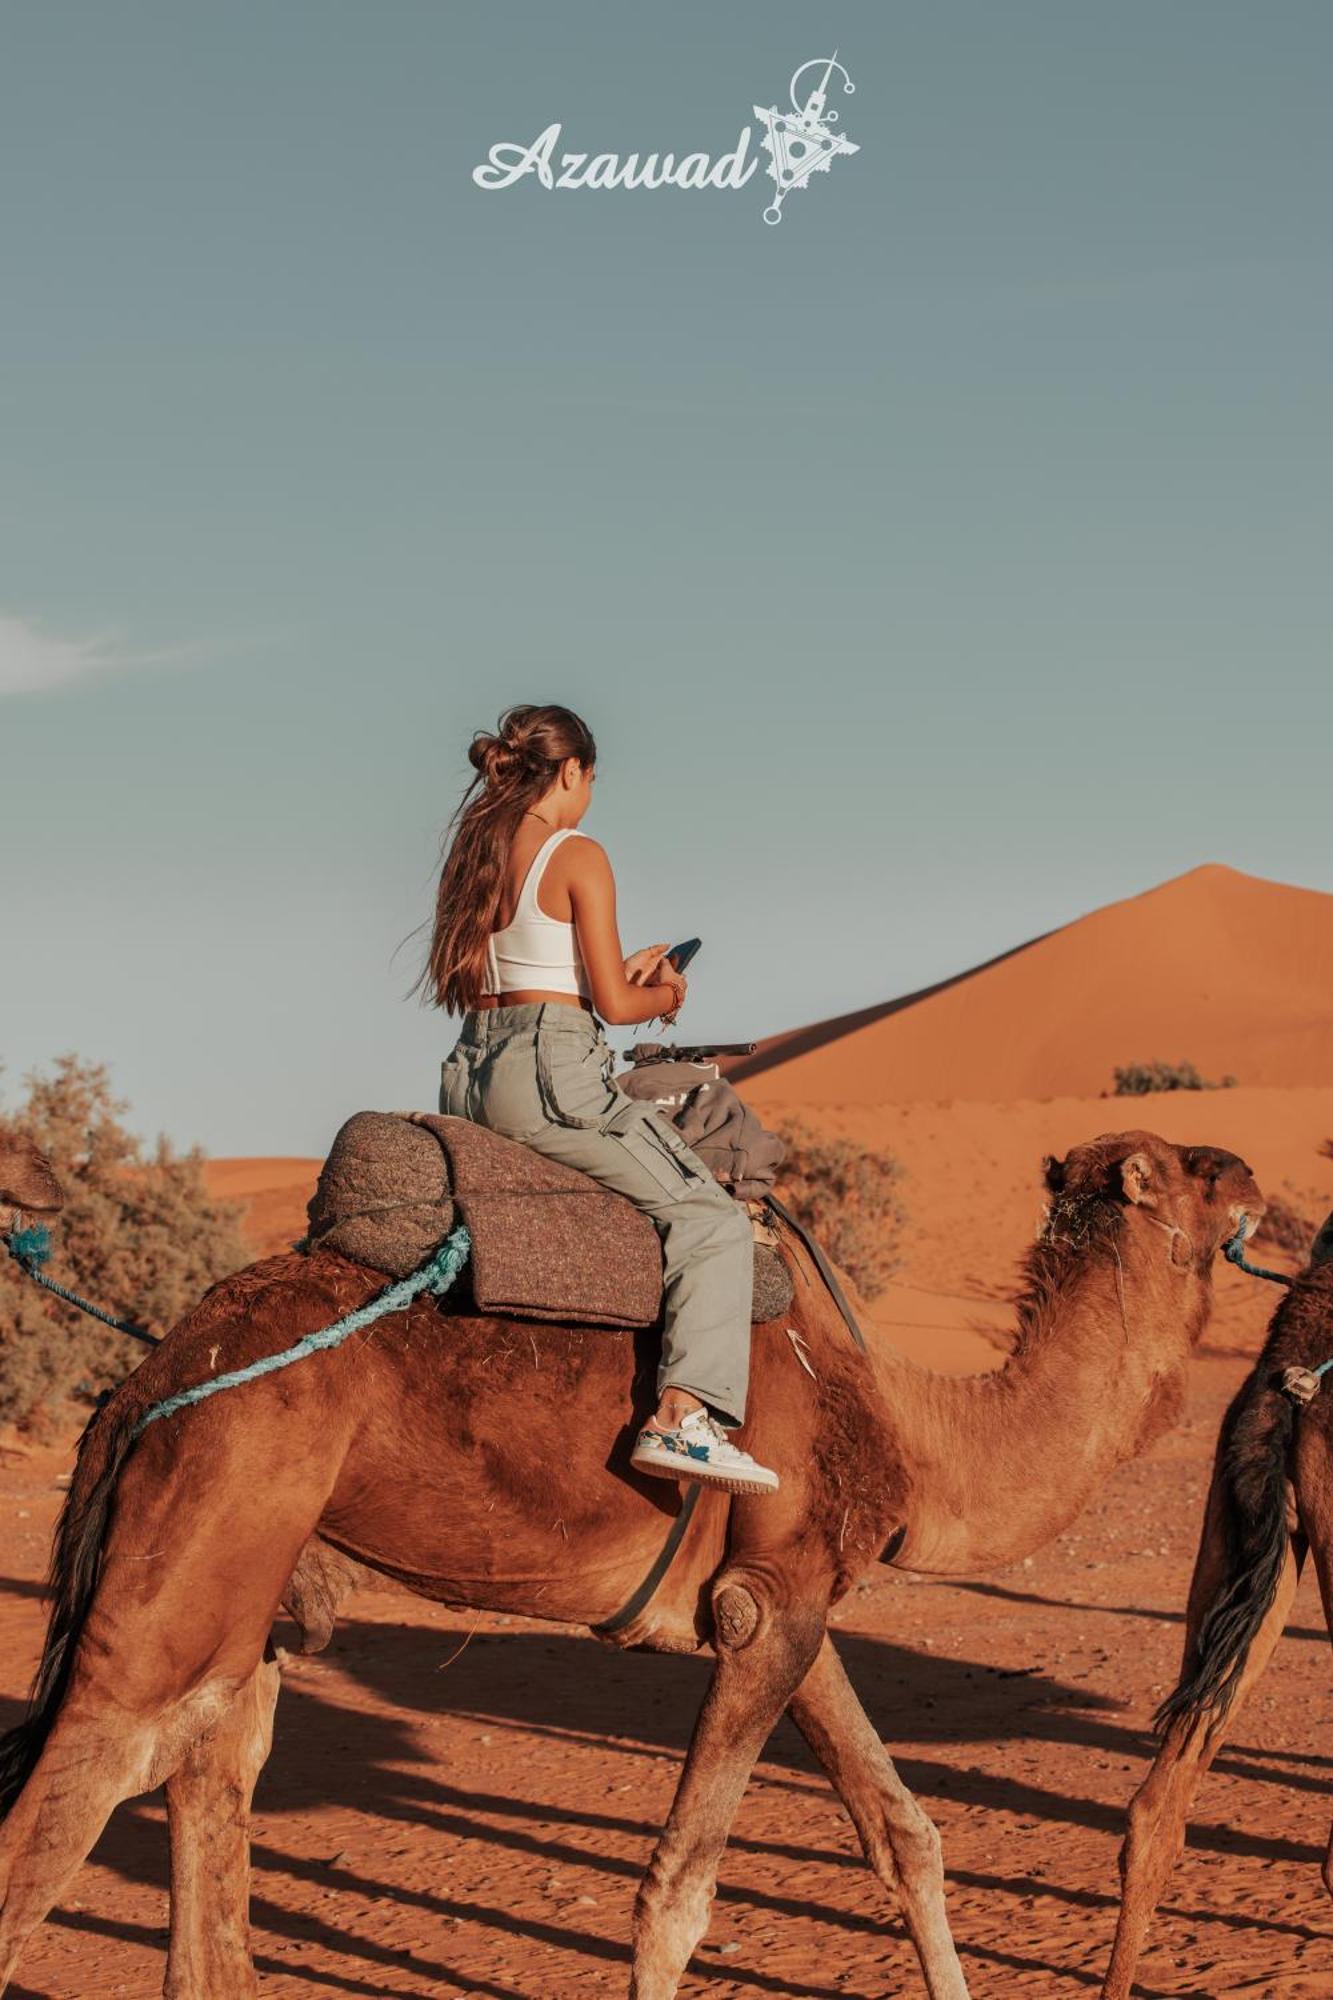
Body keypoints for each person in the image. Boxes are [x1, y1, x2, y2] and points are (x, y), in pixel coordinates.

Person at [421, 703, 778, 1496]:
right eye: (591, 781)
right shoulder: (576, 852)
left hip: (472, 1074)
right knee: (711, 1221)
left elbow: (525, 971)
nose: (590, 797)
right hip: (552, 1075)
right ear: (573, 771)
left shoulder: (474, 851)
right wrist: (666, 990)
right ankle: (684, 1421)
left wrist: (616, 968)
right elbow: (615, 1010)